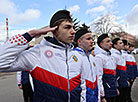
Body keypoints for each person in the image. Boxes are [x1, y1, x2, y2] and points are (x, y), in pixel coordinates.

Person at [0, 10, 87, 102]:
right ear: (54, 31)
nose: (73, 31)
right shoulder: (38, 52)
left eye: (73, 27)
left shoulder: (76, 55)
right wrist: (29, 35)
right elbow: (2, 62)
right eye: (67, 27)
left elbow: (82, 85)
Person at [73, 26, 98, 102]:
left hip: (94, 97)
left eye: (92, 39)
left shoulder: (92, 57)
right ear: (79, 42)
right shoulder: (74, 57)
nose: (92, 41)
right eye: (88, 39)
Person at [94, 34, 119, 102]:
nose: (111, 43)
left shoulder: (110, 56)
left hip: (112, 90)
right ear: (101, 44)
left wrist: (116, 88)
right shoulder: (99, 57)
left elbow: (114, 75)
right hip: (106, 93)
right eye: (108, 41)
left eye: (110, 41)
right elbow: (98, 78)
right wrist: (102, 96)